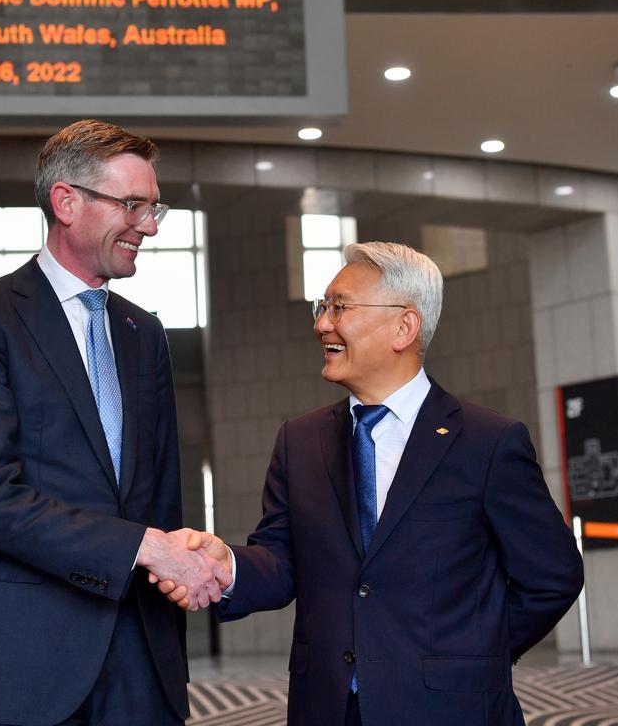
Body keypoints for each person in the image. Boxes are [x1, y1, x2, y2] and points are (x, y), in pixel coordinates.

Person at [158, 241, 584, 725]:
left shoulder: (488, 442)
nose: (322, 324)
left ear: (404, 326)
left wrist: (470, 658)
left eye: (339, 307)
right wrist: (228, 567)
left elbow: (553, 576)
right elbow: (281, 561)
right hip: (329, 709)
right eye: (322, 308)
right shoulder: (300, 440)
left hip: (451, 708)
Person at [0, 119, 230, 726]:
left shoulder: (143, 332)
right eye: (132, 205)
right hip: (23, 667)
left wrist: (185, 562)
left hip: (143, 668)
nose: (148, 226)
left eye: (155, 209)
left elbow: (160, 497)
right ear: (65, 202)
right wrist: (149, 549)